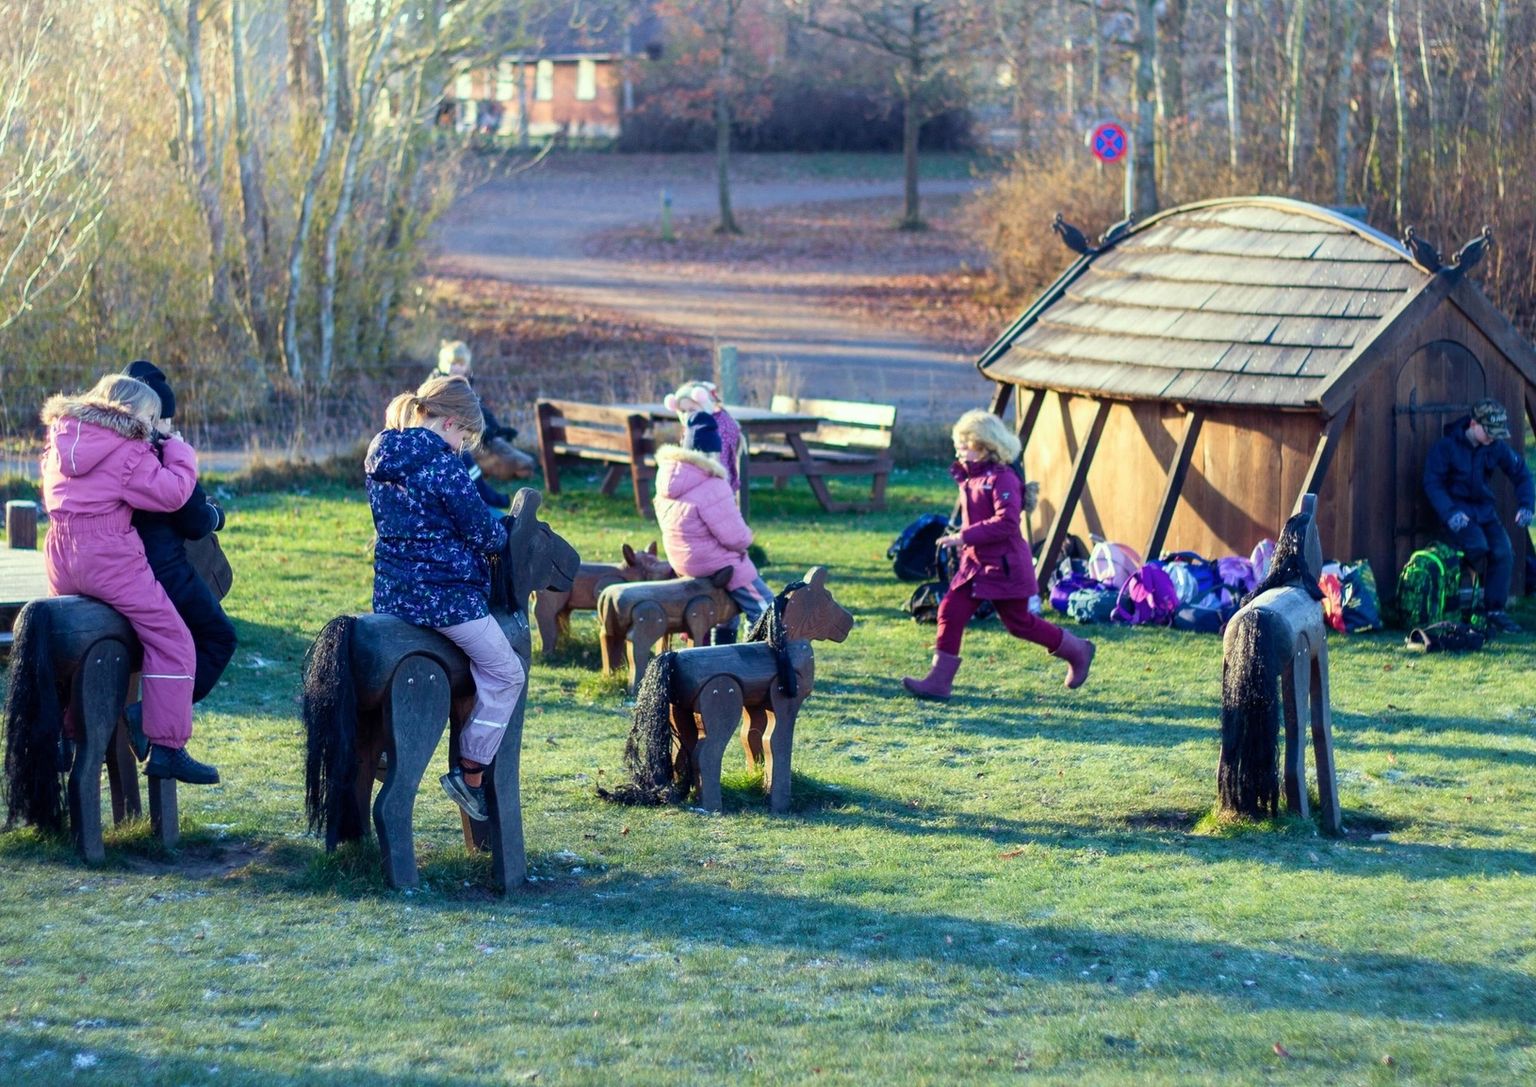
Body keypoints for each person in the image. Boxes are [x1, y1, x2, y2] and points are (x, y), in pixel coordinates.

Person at [39, 374, 219, 784]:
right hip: (108, 555)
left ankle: (62, 739)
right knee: (172, 638)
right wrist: (179, 450)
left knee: (69, 648)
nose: (154, 428)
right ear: (132, 413)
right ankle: (168, 748)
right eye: (152, 418)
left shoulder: (59, 439)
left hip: (60, 554)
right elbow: (171, 493)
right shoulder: (125, 448)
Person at [366, 374, 526, 821]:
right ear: (451, 423)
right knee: (507, 673)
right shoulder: (443, 465)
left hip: (393, 595)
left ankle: (378, 748)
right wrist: (502, 534)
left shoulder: (380, 455)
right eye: (465, 437)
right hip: (446, 600)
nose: (462, 446)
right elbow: (483, 533)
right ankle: (470, 773)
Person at [903, 409, 1095, 702]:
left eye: (964, 444)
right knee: (950, 611)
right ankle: (939, 682)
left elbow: (1006, 523)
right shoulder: (971, 477)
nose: (958, 449)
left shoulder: (1002, 478)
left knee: (1019, 624)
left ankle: (1078, 650)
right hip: (976, 565)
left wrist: (963, 536)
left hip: (1006, 566)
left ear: (984, 445)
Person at [122, 361, 238, 729]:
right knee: (219, 638)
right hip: (163, 571)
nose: (172, 428)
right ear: (154, 417)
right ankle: (149, 716)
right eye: (168, 420)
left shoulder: (105, 446)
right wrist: (215, 515)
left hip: (105, 565)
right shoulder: (158, 454)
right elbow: (193, 519)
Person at [652, 411, 774, 629]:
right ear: (712, 454)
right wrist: (748, 538)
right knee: (767, 608)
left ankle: (722, 648)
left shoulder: (666, 480)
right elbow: (735, 538)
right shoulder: (712, 485)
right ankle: (760, 651)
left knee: (727, 607)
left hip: (682, 562)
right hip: (713, 563)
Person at [1423, 397, 1534, 633]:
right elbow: (1432, 483)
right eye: (1489, 432)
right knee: (1477, 546)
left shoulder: (1495, 447)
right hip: (1457, 513)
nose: (1493, 437)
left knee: (1503, 552)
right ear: (1473, 424)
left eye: (1497, 433)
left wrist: (1526, 505)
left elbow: (1521, 473)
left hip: (1484, 511)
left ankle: (1495, 611)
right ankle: (1458, 605)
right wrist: (1450, 513)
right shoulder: (1446, 448)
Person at [435, 340, 515, 511]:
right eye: (452, 364)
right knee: (466, 460)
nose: (456, 368)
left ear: (467, 366)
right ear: (443, 364)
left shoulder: (465, 385)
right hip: (444, 437)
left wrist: (497, 430)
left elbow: (480, 410)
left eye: (460, 364)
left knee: (517, 460)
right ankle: (484, 495)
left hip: (461, 435)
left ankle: (484, 495)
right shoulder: (440, 385)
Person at [664, 380, 742, 493]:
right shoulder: (693, 427)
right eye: (682, 411)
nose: (687, 415)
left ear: (706, 407)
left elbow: (719, 461)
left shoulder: (715, 428)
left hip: (714, 483)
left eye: (692, 410)